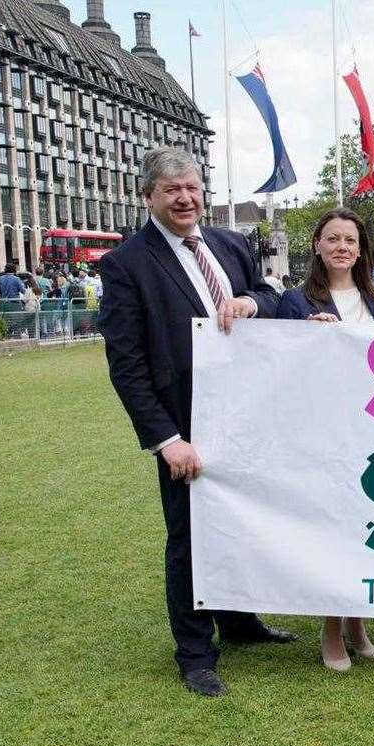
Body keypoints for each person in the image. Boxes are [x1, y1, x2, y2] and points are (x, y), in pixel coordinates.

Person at [97, 147, 296, 699]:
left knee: (241, 522)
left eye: (192, 188)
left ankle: (239, 623)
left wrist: (252, 303)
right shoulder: (126, 264)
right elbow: (127, 364)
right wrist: (167, 440)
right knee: (188, 538)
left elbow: (269, 298)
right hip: (186, 426)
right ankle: (195, 653)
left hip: (246, 416)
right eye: (171, 190)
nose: (185, 198)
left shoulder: (230, 244)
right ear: (149, 197)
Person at [276, 207, 374, 672]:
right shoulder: (296, 301)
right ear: (317, 246)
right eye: (333, 239)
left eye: (350, 240)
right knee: (331, 527)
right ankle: (330, 630)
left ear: (361, 248)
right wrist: (306, 337)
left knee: (364, 527)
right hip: (324, 431)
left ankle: (357, 623)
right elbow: (280, 363)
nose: (342, 247)